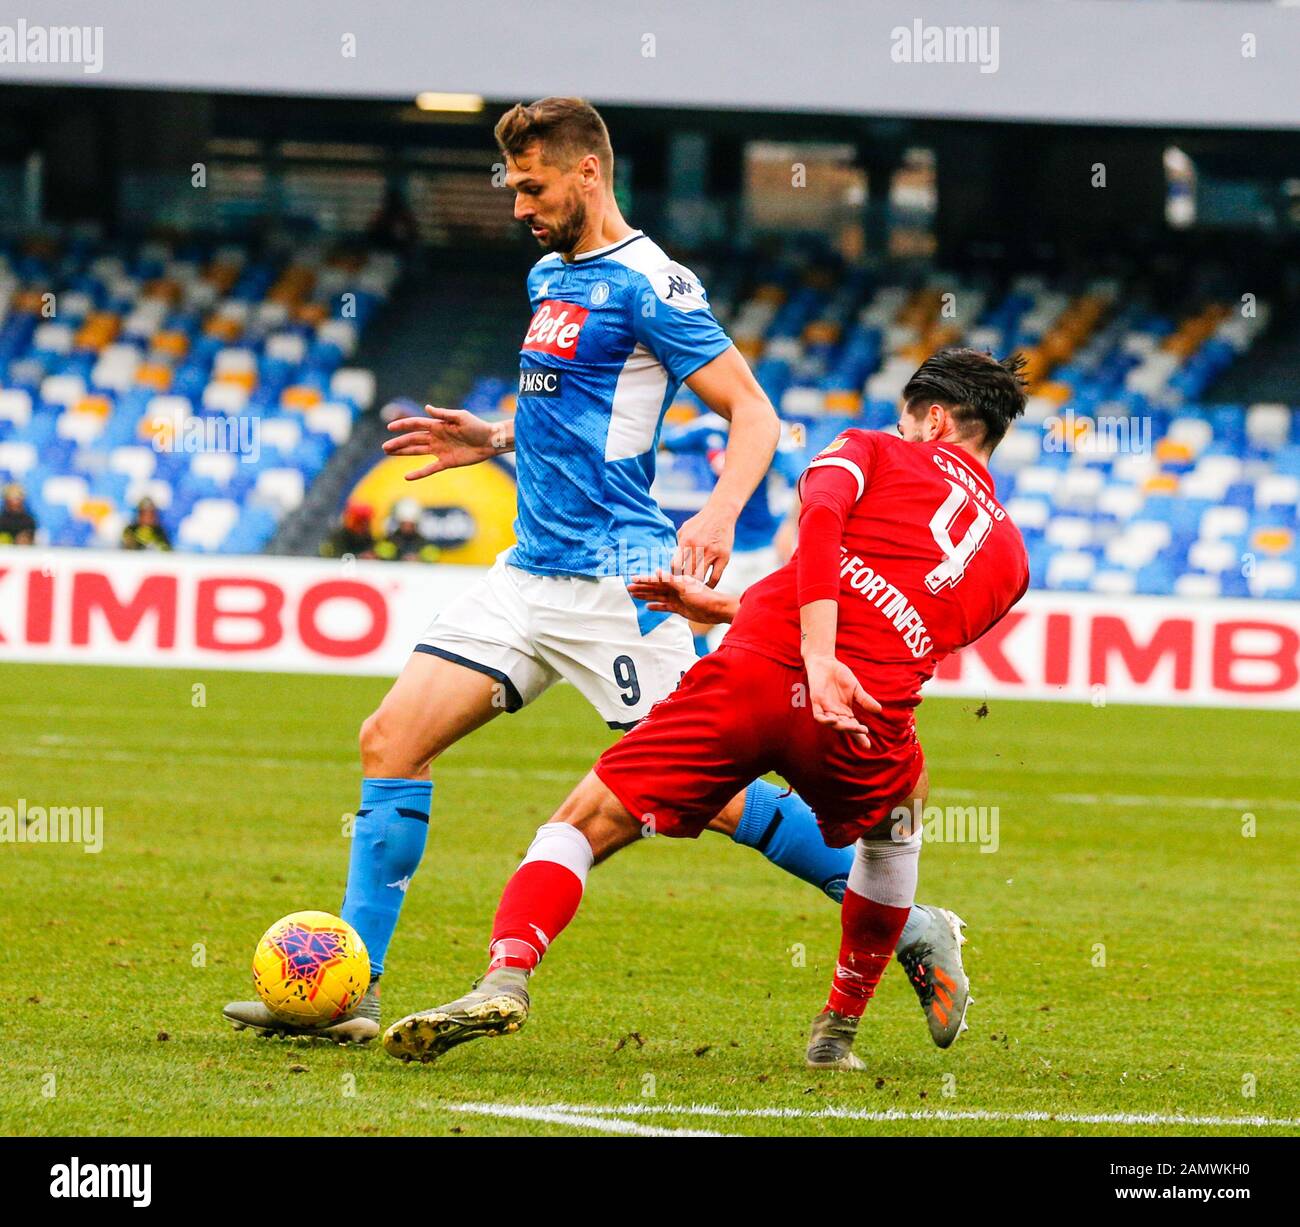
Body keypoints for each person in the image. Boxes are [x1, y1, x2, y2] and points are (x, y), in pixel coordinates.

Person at [222, 97, 959, 1045]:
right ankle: (348, 990)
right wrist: (490, 434)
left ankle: (909, 921)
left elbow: (758, 417)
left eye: (532, 186)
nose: (519, 205)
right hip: (527, 575)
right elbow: (564, 411)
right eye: (512, 187)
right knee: (390, 739)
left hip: (620, 582)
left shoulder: (655, 282)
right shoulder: (548, 276)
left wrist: (722, 508)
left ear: (587, 174)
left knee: (721, 795)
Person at [381, 348, 1030, 1072]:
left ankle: (507, 974)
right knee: (898, 821)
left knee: (585, 821)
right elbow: (890, 617)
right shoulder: (1011, 560)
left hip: (753, 676)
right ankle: (837, 1031)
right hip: (859, 715)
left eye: (908, 420)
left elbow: (819, 531)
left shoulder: (870, 447)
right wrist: (733, 610)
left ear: (934, 418)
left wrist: (806, 651)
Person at [661, 413, 804, 651]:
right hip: (724, 548)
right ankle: (698, 681)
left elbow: (803, 477)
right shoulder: (709, 428)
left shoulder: (777, 431)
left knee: (764, 626)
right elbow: (661, 443)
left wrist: (790, 525)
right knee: (696, 622)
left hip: (767, 551)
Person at [374, 498, 440, 563]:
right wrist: (400, 559)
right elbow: (381, 558)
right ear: (399, 523)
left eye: (411, 525)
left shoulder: (424, 543)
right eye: (404, 524)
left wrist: (419, 559)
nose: (407, 527)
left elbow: (432, 559)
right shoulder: (389, 541)